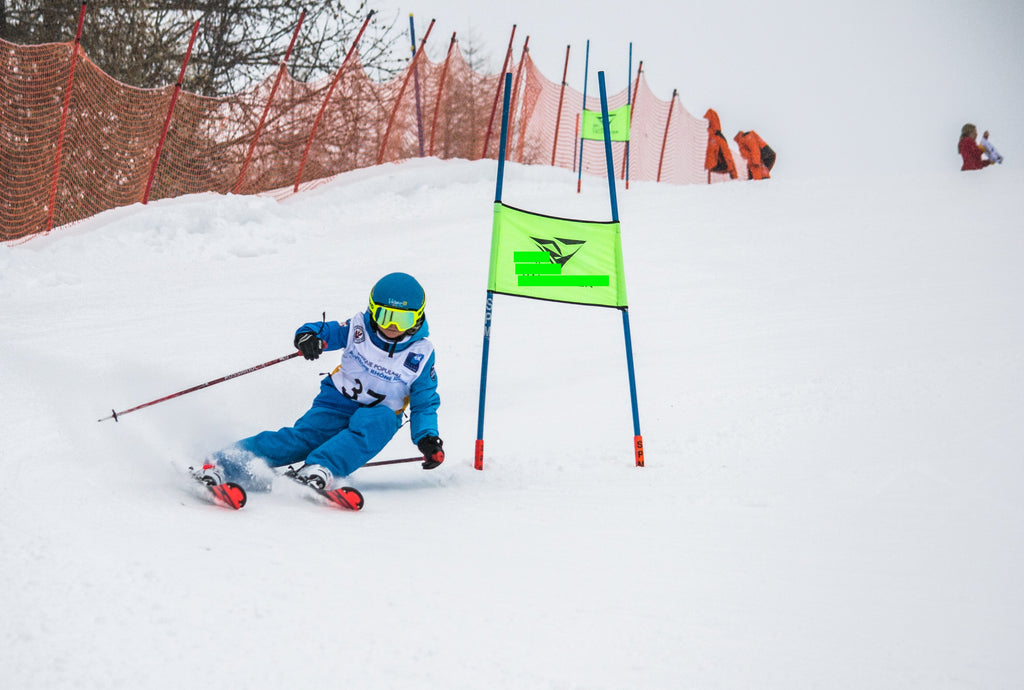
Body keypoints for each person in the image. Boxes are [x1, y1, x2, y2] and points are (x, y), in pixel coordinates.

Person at [198, 272, 444, 492]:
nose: (391, 326)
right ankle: (225, 461)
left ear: (419, 318)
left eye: (402, 320)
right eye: (384, 315)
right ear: (372, 310)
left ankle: (320, 468)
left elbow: (424, 402)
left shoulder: (421, 354)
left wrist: (427, 437)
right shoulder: (358, 328)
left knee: (374, 425)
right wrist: (309, 337)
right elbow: (325, 331)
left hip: (381, 412)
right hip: (337, 401)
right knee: (303, 439)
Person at [703, 108, 738, 180]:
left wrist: (733, 173)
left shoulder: (718, 137)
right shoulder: (705, 135)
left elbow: (727, 155)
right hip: (705, 172)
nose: (705, 123)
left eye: (707, 121)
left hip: (714, 168)